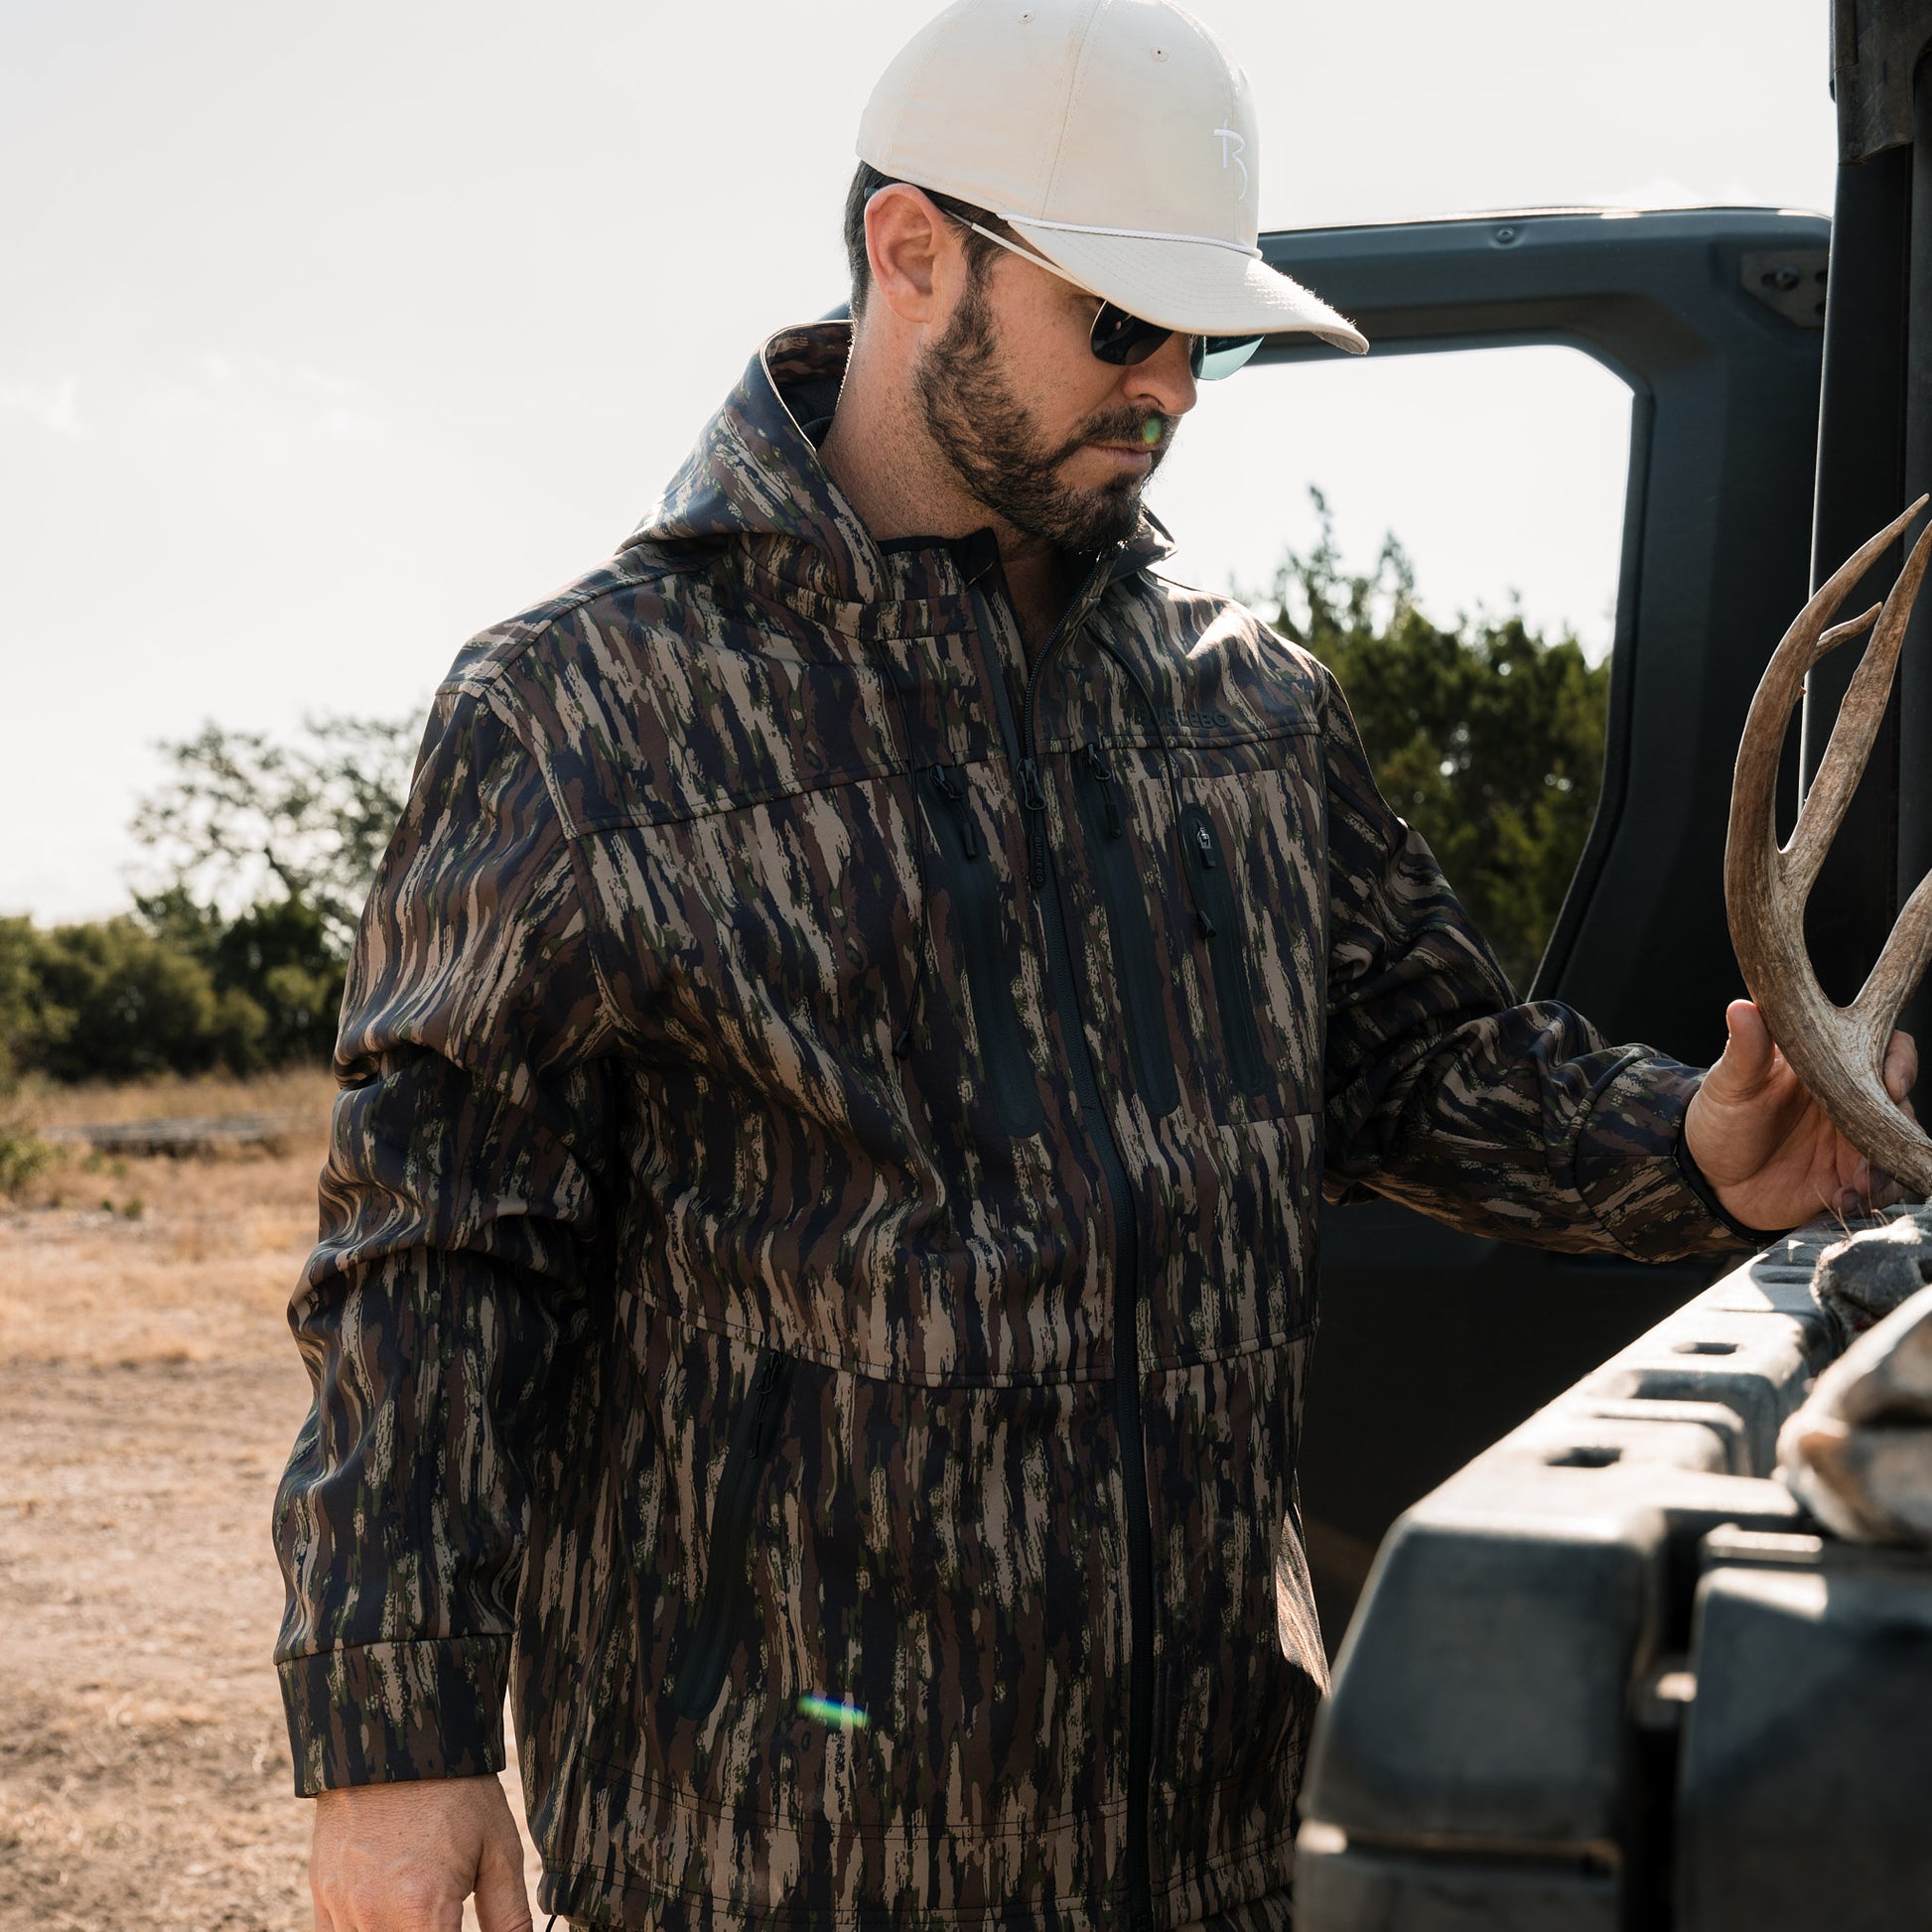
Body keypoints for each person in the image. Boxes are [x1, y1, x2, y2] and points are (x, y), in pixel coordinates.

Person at [275, 3, 1918, 1928]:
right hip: (773, 1861)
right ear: (911, 254)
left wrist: (1692, 1146)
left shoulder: (1250, 706)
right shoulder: (582, 715)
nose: (1174, 389)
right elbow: (436, 1263)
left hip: (1219, 1832)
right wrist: (396, 1745)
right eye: (1117, 326)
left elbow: (1414, 1067)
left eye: (1202, 338)